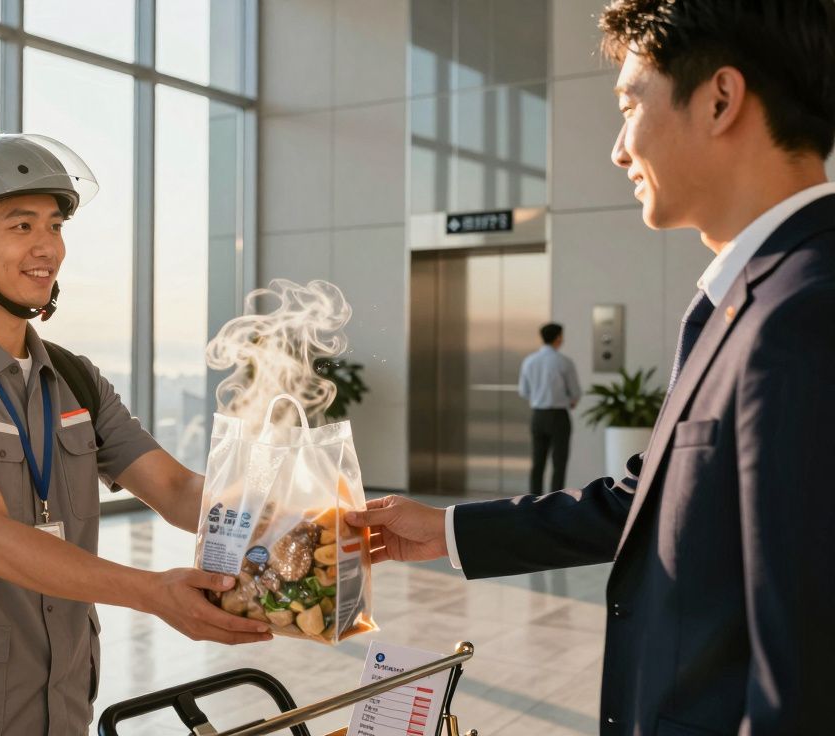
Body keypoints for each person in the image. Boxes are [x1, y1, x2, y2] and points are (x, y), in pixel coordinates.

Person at [348, 2, 835, 733]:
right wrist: (445, 530)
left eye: (629, 105)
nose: (617, 150)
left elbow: (808, 677)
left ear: (720, 100)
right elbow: (646, 502)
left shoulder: (806, 313)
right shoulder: (748, 297)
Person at [0, 134, 270, 735]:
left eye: (55, 226)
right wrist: (154, 592)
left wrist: (309, 526)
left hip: (62, 701)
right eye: (21, 226)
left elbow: (177, 489)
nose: (47, 246)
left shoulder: (75, 380)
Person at [518, 322, 582, 494]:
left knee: (537, 463)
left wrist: (539, 397)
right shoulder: (564, 362)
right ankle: (555, 500)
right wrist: (571, 401)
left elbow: (523, 391)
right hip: (559, 416)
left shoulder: (529, 361)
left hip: (538, 416)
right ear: (558, 338)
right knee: (559, 463)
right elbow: (575, 392)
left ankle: (534, 500)